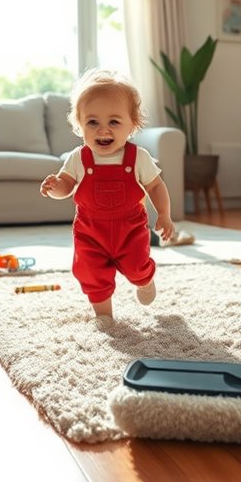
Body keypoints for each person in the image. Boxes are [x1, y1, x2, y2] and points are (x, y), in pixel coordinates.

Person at [41, 69, 175, 322]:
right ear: (79, 125)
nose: (103, 130)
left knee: (137, 267)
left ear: (132, 125)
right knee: (91, 273)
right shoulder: (78, 158)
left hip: (130, 228)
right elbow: (66, 186)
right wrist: (55, 187)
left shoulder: (138, 157)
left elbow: (156, 186)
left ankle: (145, 281)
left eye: (114, 122)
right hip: (90, 231)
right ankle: (104, 316)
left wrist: (164, 214)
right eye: (93, 122)